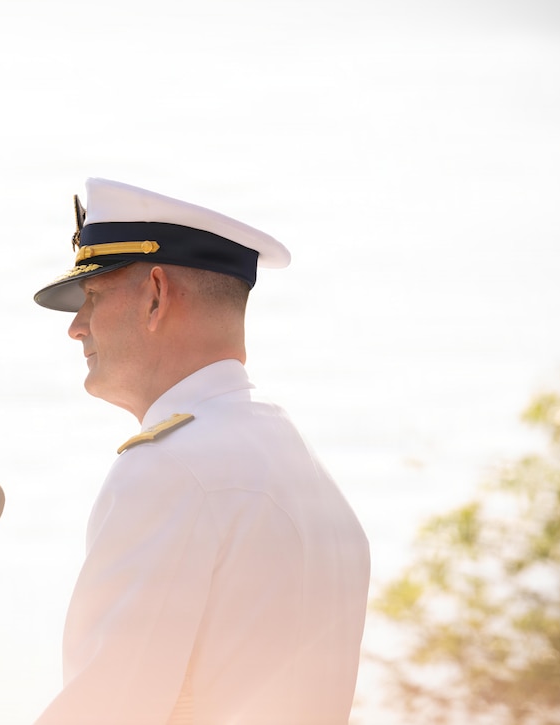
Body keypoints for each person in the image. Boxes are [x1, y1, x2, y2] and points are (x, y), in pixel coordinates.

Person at [32, 178, 371, 724]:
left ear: (156, 295)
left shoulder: (169, 466)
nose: (76, 327)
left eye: (92, 297)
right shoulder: (304, 471)